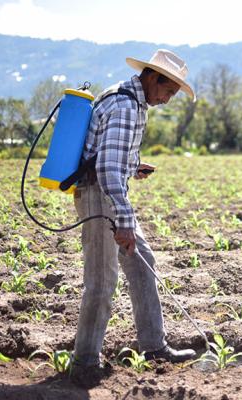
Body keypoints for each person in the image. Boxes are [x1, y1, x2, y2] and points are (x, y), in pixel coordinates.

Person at [70, 49, 197, 385]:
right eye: (168, 91)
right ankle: (84, 363)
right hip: (101, 197)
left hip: (106, 192)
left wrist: (134, 167)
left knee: (143, 262)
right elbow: (108, 170)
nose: (168, 100)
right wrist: (124, 221)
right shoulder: (126, 106)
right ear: (153, 78)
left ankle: (154, 347)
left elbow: (110, 155)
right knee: (102, 280)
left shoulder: (128, 100)